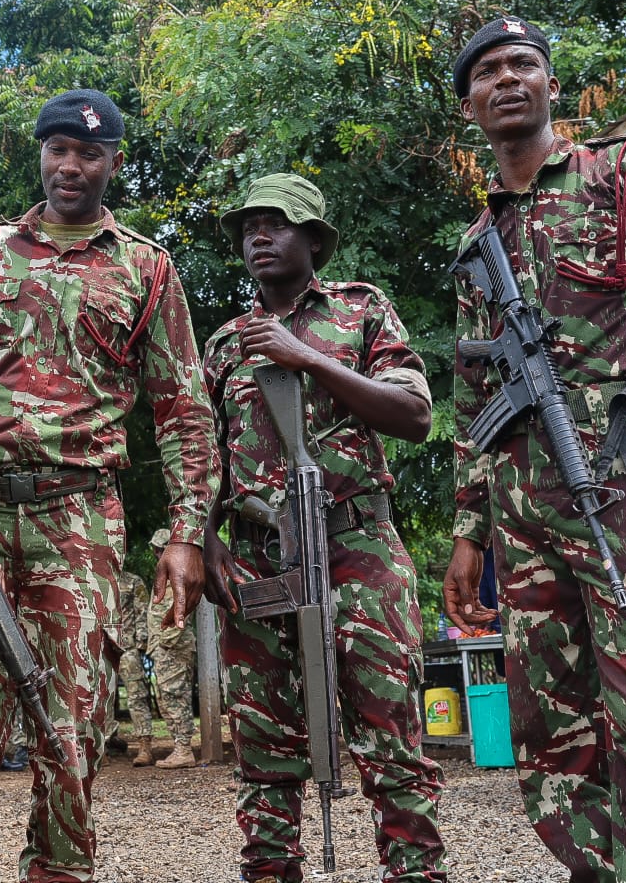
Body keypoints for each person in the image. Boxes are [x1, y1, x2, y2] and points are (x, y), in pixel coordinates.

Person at [443, 15, 626, 883]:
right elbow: (470, 392)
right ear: (470, 105)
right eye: (487, 71)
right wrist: (468, 528)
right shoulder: (472, 246)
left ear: (552, 85)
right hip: (519, 509)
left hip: (621, 479)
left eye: (523, 64)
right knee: (549, 734)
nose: (507, 79)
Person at [0, 88, 218, 883]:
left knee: (73, 729)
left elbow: (185, 411)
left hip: (78, 517)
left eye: (88, 152)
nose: (70, 165)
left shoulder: (146, 267)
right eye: (57, 149)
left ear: (113, 163)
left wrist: (188, 535)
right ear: (40, 155)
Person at [202, 173, 447, 883]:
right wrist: (207, 537)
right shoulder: (223, 346)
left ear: (313, 239)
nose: (259, 237)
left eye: (276, 224)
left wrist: (304, 357)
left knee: (391, 738)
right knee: (263, 750)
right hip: (258, 558)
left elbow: (413, 416)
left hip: (356, 544)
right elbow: (206, 455)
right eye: (249, 227)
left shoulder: (363, 311)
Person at [116, 528, 198, 769]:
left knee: (175, 696)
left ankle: (183, 749)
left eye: (160, 549)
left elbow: (181, 611)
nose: (157, 553)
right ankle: (180, 748)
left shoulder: (179, 571)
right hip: (162, 647)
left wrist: (164, 642)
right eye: (156, 549)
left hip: (171, 646)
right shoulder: (168, 572)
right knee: (166, 698)